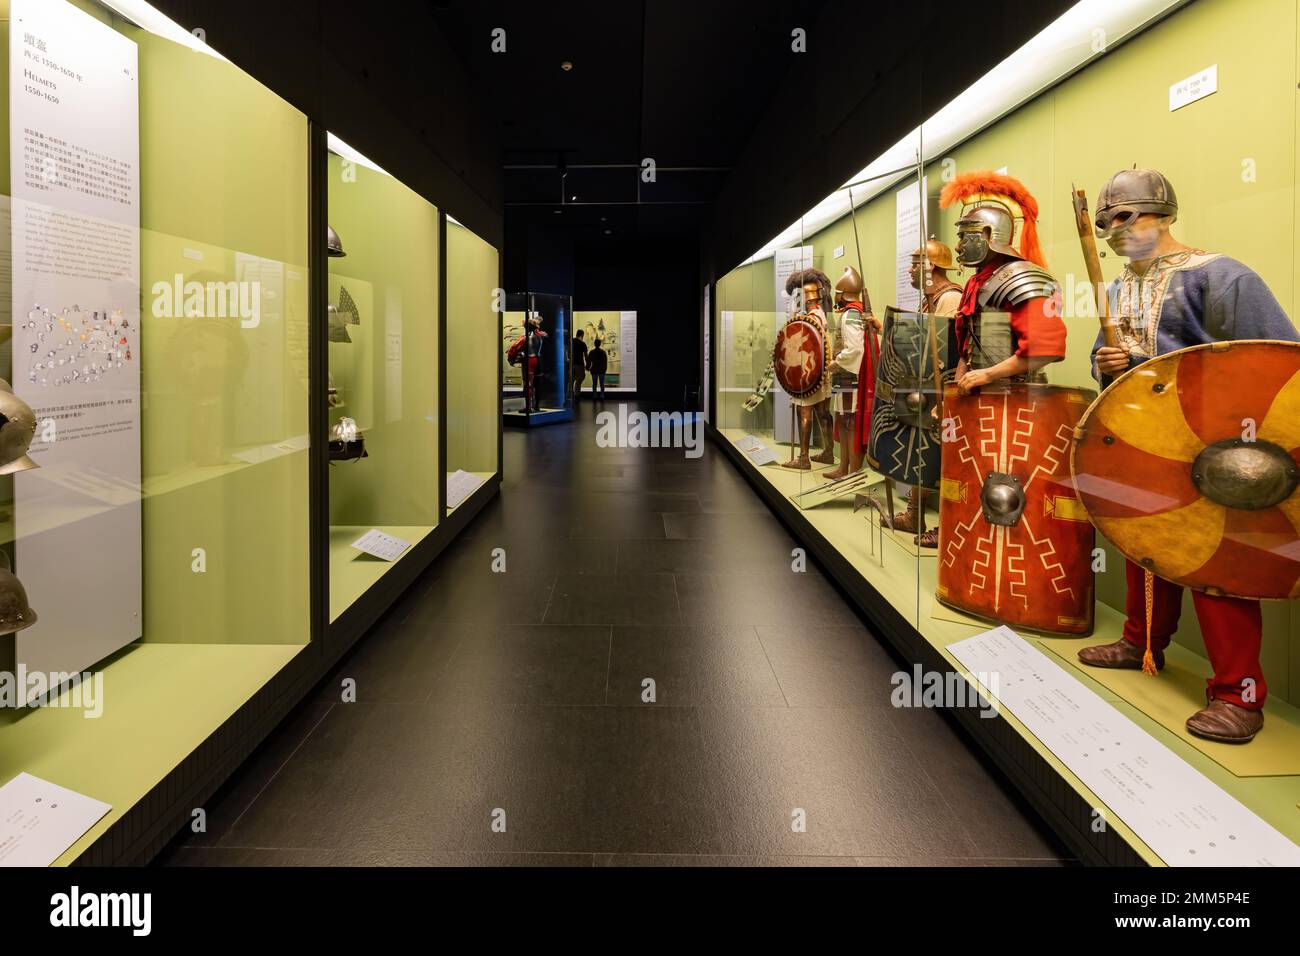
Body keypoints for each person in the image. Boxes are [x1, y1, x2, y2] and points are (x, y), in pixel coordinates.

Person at [1076, 167, 1300, 744]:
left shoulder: (1221, 276)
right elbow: (1118, 375)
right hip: (1151, 446)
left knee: (1217, 567)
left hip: (1217, 448)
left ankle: (1238, 692)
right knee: (1139, 536)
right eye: (1105, 224)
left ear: (1164, 212)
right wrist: (1104, 364)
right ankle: (1142, 640)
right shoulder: (1121, 287)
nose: (1113, 232)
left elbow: (1274, 364)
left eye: (1124, 216)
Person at [572, 330, 588, 401]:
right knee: (580, 378)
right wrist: (588, 364)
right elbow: (585, 355)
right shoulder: (582, 343)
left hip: (571, 363)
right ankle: (577, 395)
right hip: (579, 364)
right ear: (582, 335)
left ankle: (569, 396)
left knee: (572, 379)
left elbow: (566, 349)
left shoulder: (571, 341)